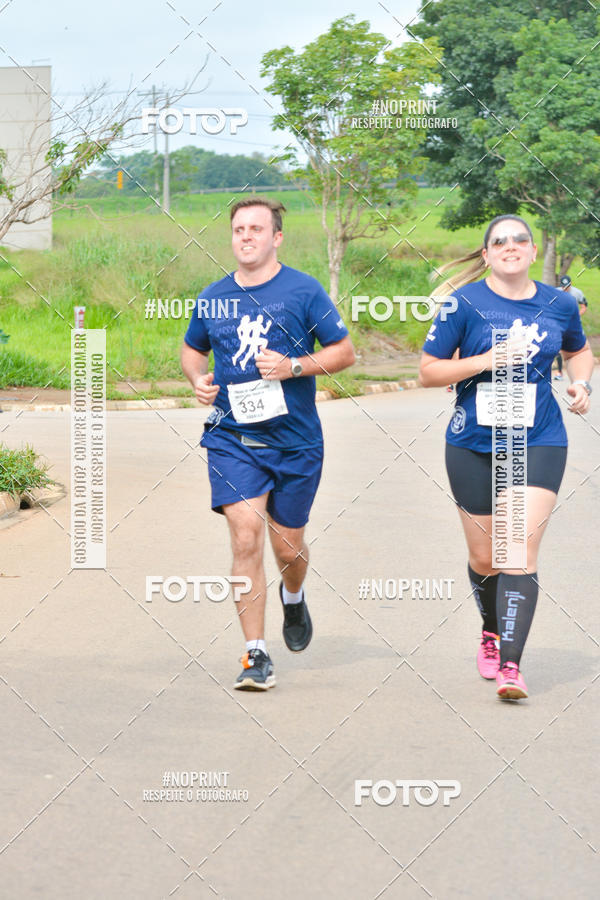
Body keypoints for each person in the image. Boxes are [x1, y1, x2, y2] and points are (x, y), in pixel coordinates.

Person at [181, 198, 355, 691]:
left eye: (257, 228)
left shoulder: (303, 290)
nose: (246, 236)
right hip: (232, 437)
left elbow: (344, 352)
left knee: (288, 547)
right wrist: (198, 378)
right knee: (244, 538)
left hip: (296, 441)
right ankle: (255, 655)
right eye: (238, 229)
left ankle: (294, 597)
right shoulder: (213, 296)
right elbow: (193, 348)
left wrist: (294, 366)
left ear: (277, 237)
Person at [419, 214, 593, 700]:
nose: (511, 246)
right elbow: (429, 372)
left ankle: (512, 666)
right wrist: (486, 361)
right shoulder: (464, 304)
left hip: (537, 439)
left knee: (517, 550)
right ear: (488, 254)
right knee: (485, 555)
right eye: (500, 241)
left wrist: (581, 382)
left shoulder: (559, 303)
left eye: (520, 239)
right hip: (472, 442)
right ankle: (491, 632)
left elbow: (579, 351)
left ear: (533, 252)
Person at [555, 275, 588, 379]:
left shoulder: (577, 293)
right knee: (558, 348)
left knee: (578, 348)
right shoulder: (555, 293)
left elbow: (584, 306)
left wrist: (575, 315)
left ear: (571, 284)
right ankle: (560, 372)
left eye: (567, 286)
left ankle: (580, 373)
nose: (565, 288)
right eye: (563, 286)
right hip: (560, 324)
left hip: (574, 324)